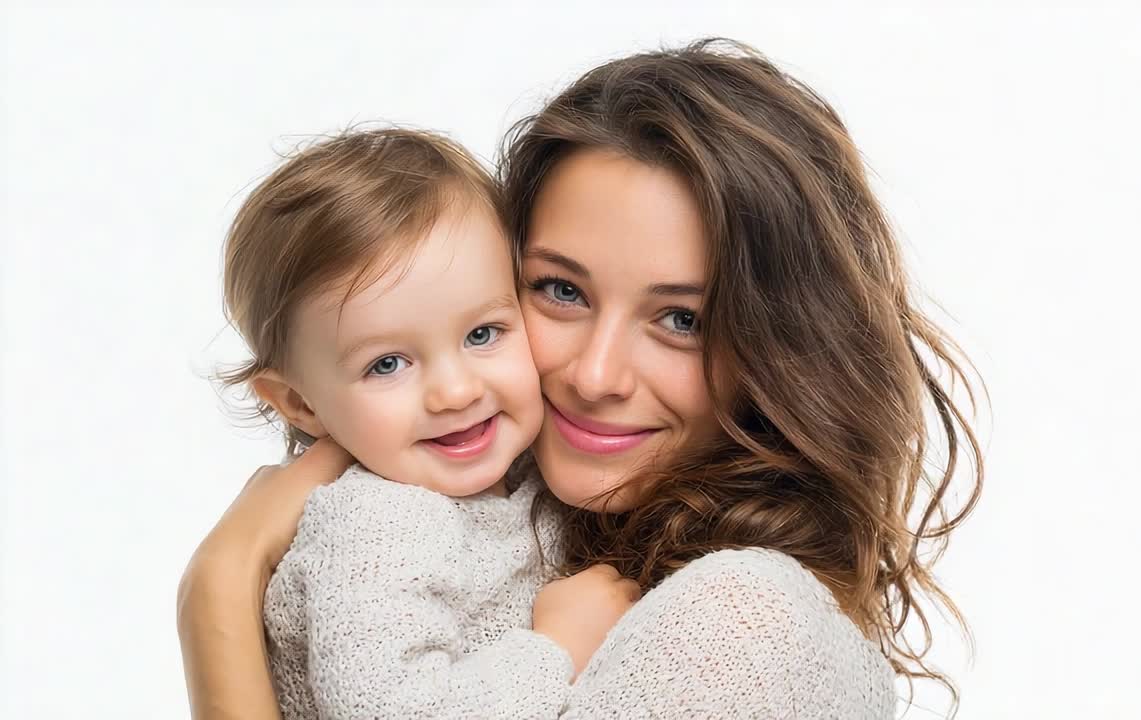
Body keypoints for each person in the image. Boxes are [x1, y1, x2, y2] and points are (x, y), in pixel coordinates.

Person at [179, 38, 983, 719]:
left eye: (682, 320)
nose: (595, 375)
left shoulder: (744, 615)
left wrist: (218, 584)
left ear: (782, 351)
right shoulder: (433, 516)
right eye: (561, 290)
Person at [216, 128, 637, 718]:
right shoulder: (373, 525)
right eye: (387, 364)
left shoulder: (527, 472)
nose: (456, 391)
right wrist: (557, 648)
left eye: (482, 334)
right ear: (300, 404)